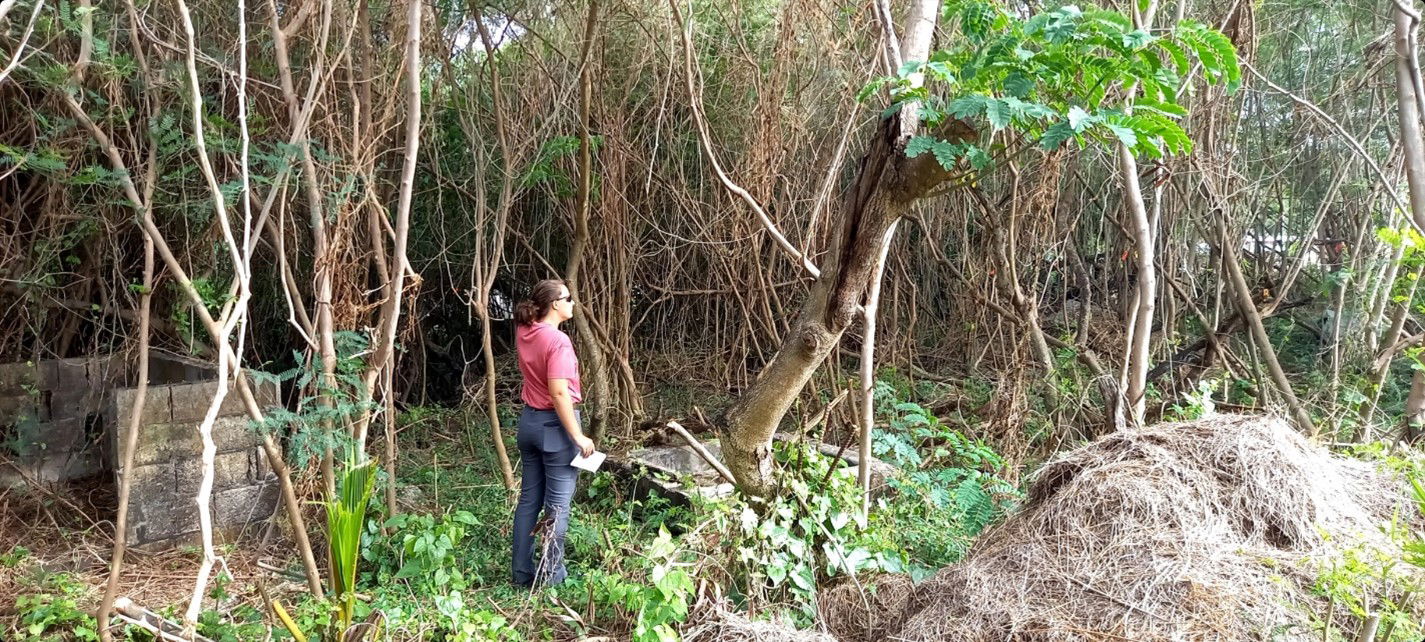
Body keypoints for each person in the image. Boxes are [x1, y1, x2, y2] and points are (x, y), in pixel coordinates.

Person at [511, 278, 595, 587]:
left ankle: (520, 574)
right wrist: (578, 436)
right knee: (557, 507)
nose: (573, 303)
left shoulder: (525, 331)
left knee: (528, 502)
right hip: (555, 427)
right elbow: (559, 393)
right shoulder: (558, 342)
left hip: (529, 424)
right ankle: (550, 578)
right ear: (556, 305)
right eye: (568, 298)